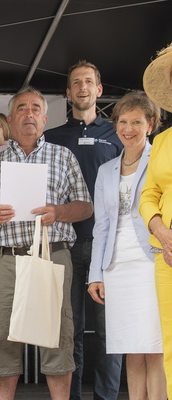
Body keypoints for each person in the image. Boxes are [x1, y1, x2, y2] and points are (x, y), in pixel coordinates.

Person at [0, 86, 92, 400]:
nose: (29, 113)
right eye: (22, 108)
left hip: (52, 256)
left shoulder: (63, 156)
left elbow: (86, 206)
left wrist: (60, 211)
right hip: (5, 259)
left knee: (56, 339)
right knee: (4, 341)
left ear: (45, 118)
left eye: (35, 108)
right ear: (11, 119)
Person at [44, 60, 123, 400]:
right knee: (70, 331)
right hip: (67, 245)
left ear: (99, 90)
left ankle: (105, 397)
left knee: (109, 332)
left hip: (110, 247)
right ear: (68, 92)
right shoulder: (52, 138)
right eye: (76, 82)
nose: (82, 87)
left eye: (88, 81)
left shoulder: (118, 134)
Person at [88, 91, 166, 400]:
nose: (128, 128)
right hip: (116, 267)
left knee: (155, 348)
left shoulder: (160, 159)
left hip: (152, 262)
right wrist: (96, 273)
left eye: (136, 121)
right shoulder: (106, 170)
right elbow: (101, 226)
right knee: (131, 349)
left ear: (150, 124)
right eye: (122, 121)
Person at [140, 41, 172, 399]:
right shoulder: (162, 141)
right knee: (171, 344)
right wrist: (159, 228)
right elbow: (149, 195)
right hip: (166, 255)